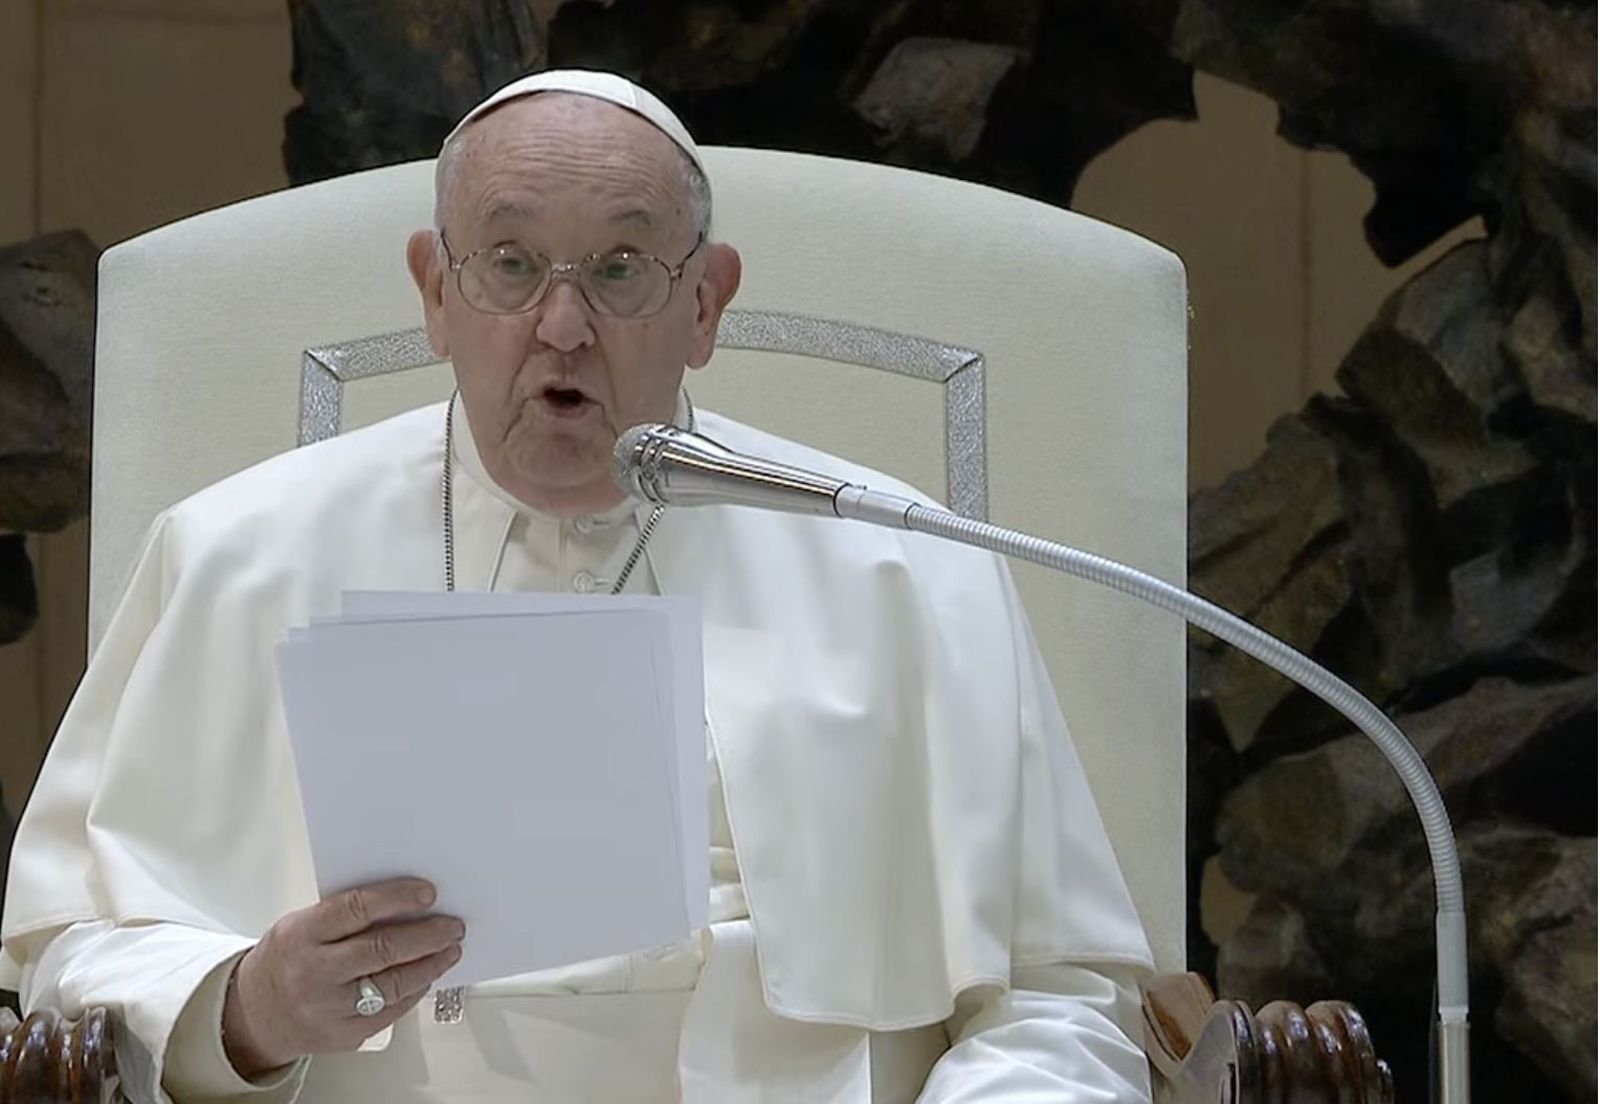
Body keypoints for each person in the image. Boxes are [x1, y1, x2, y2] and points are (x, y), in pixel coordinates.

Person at [0, 71, 1156, 1103]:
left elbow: (1061, 1002)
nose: (562, 328)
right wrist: (249, 1008)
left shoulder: (905, 561)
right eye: (509, 264)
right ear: (434, 290)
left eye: (620, 270)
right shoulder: (236, 554)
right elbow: (70, 964)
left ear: (704, 304)